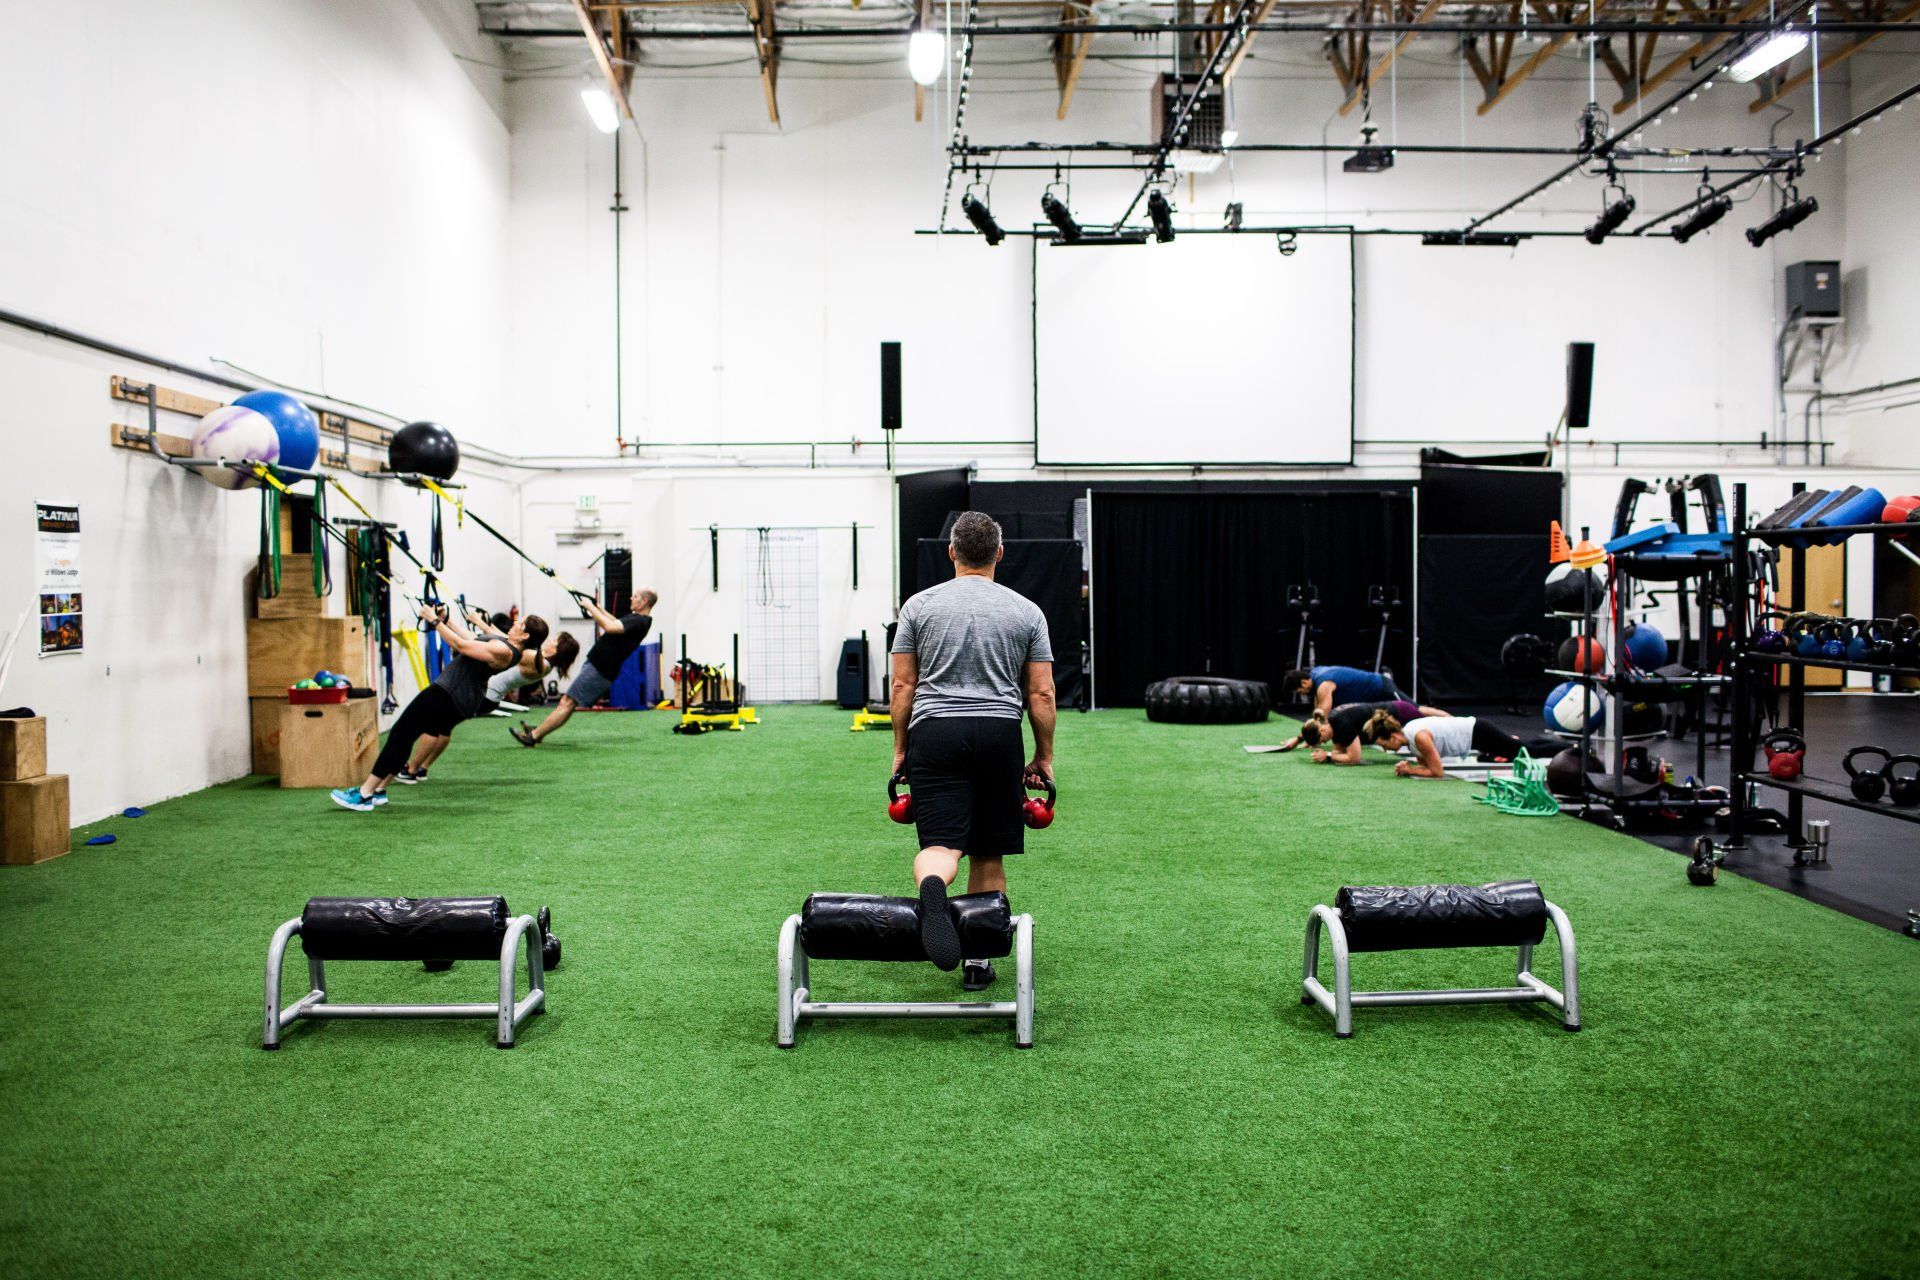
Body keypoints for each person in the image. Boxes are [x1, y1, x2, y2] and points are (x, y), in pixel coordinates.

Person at [892, 511, 1054, 988]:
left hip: (936, 732)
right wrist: (1043, 757)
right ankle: (979, 959)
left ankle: (935, 886)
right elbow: (1041, 694)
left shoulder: (918, 607)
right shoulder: (1027, 611)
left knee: (942, 844)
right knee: (988, 852)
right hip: (998, 731)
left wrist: (901, 750)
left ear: (952, 552)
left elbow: (903, 686)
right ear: (999, 553)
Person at [331, 605, 547, 811]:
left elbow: (460, 646)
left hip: (447, 693)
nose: (516, 622)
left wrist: (433, 620)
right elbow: (472, 638)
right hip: (456, 695)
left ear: (526, 635)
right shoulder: (505, 645)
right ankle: (378, 790)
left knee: (400, 734)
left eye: (521, 623)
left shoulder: (504, 650)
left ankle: (364, 793)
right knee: (408, 735)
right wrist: (446, 621)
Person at [394, 616, 578, 784]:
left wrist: (477, 623)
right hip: (487, 697)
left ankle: (411, 770)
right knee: (443, 727)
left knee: (434, 725)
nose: (550, 641)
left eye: (554, 640)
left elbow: (503, 641)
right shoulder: (539, 660)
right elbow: (494, 640)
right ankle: (421, 769)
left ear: (557, 649)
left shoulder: (539, 662)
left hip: (483, 696)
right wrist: (450, 622)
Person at [512, 590, 656, 746]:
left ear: (644, 601)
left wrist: (590, 607)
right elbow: (615, 622)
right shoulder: (637, 619)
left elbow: (610, 627)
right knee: (569, 702)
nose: (630, 597)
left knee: (567, 702)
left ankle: (534, 735)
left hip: (600, 669)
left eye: (635, 596)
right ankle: (539, 731)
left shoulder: (640, 621)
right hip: (598, 665)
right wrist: (599, 608)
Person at [1284, 699, 1450, 764]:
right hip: (1395, 707)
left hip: (1399, 713)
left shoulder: (1342, 724)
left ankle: (1455, 721)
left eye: (1322, 740)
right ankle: (1453, 720)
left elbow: (1354, 758)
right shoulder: (1333, 721)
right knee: (1428, 713)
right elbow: (1340, 751)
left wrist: (1327, 756)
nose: (1325, 743)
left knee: (1437, 724)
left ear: (1322, 729)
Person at [1375, 712, 1527, 779]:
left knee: (1526, 751)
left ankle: (1552, 749)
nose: (1385, 749)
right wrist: (1408, 769)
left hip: (1479, 731)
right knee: (1518, 749)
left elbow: (1437, 772)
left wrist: (1410, 770)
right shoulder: (1411, 737)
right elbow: (1427, 767)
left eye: (1384, 744)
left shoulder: (1419, 737)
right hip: (1476, 736)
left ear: (1393, 736)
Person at [1282, 664, 1407, 715]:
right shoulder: (1315, 674)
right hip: (1370, 697)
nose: (1302, 694)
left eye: (1299, 692)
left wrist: (1301, 738)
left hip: (1381, 686)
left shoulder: (1323, 684)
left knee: (1416, 710)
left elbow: (1321, 715)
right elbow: (1317, 708)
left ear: (1303, 683)